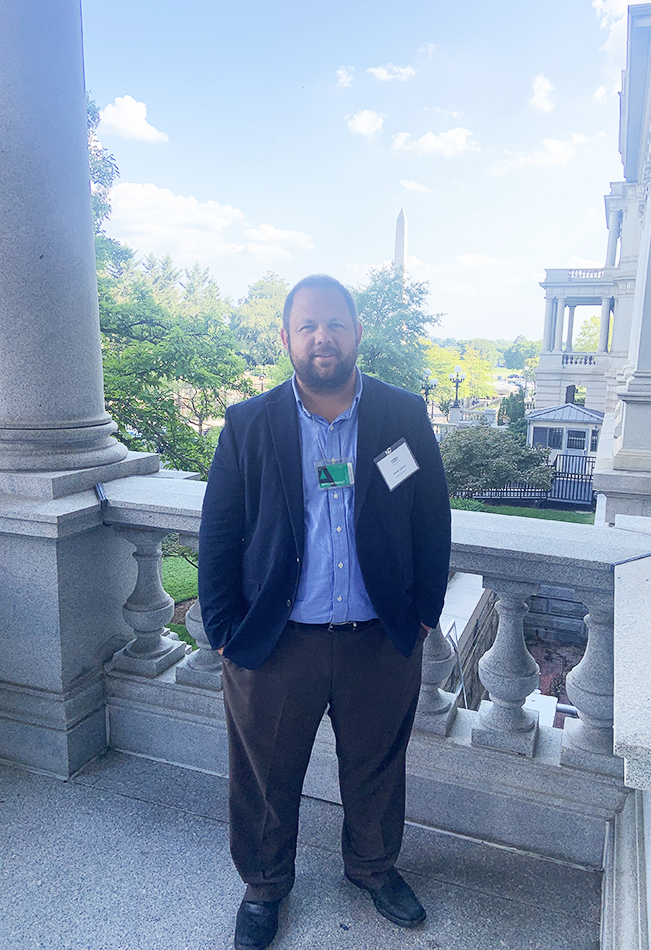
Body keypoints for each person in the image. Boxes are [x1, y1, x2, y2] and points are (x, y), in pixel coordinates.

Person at [198, 274, 451, 950]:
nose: (321, 337)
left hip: (378, 637)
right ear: (285, 338)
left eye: (334, 324)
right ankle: (263, 885)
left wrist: (424, 610)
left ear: (357, 333)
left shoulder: (401, 416)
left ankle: (372, 866)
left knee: (375, 765)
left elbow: (431, 517)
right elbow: (219, 533)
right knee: (264, 774)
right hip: (278, 643)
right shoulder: (249, 423)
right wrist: (222, 630)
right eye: (307, 326)